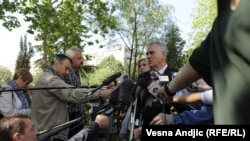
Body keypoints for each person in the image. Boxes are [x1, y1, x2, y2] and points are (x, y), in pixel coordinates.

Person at [155, 0, 247, 124]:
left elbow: (206, 97)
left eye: (152, 53)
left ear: (163, 54)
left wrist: (176, 116)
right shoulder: (224, 18)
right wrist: (168, 90)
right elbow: (199, 61)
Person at [31, 54, 113, 140]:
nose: (67, 73)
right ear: (57, 63)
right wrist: (99, 93)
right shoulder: (50, 79)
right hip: (50, 135)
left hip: (49, 133)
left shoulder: (46, 77)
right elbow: (71, 93)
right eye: (66, 68)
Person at [64, 47, 86, 138]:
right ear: (70, 60)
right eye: (79, 58)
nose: (82, 60)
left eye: (82, 58)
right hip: (70, 117)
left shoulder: (76, 72)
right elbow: (71, 94)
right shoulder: (68, 73)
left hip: (77, 116)